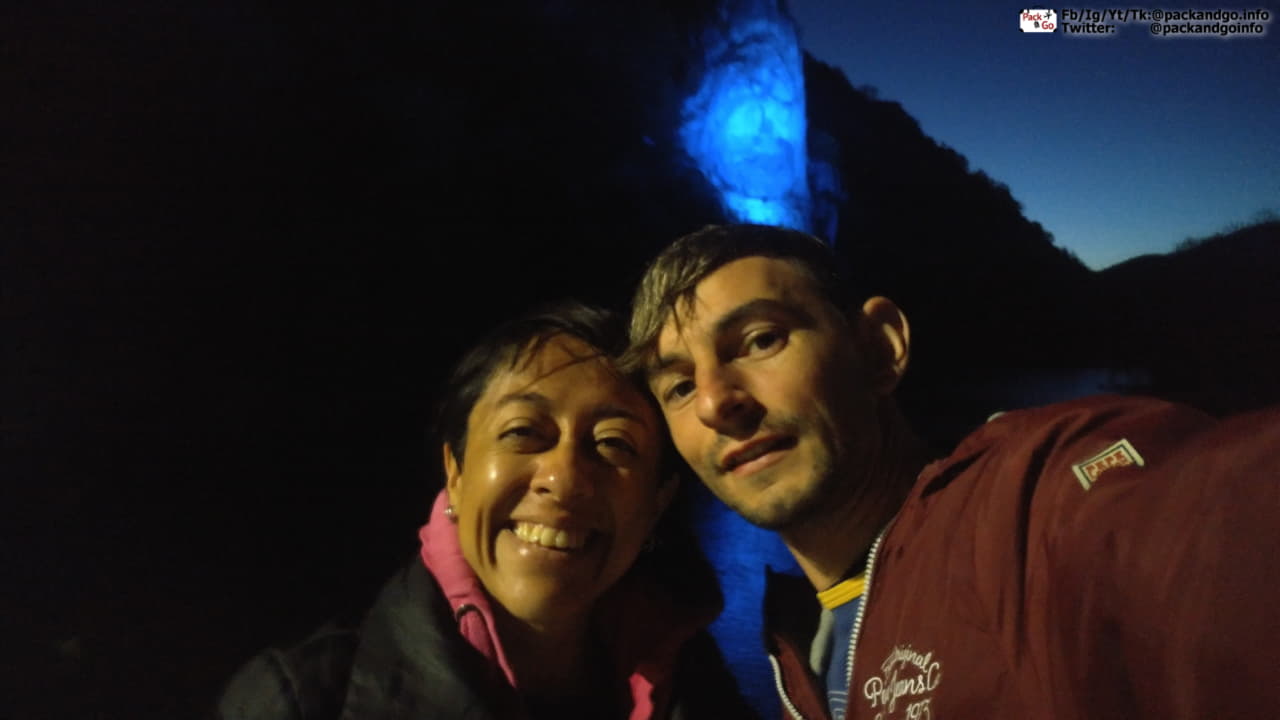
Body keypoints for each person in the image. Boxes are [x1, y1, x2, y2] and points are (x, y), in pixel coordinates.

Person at [624, 223, 1280, 720]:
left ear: (880, 350)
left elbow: (1206, 524)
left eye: (762, 340)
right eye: (679, 387)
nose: (714, 402)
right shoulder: (799, 640)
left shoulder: (1034, 511)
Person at [217, 301, 758, 720]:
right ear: (455, 470)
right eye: (524, 432)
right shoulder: (303, 700)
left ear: (657, 502)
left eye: (613, 443)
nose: (564, 478)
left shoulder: (698, 685)